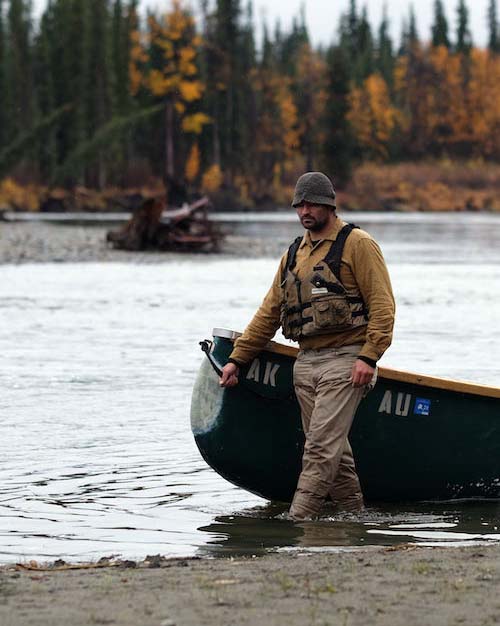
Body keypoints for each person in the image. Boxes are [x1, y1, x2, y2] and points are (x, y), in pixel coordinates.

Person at [219, 172, 395, 520]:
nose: (304, 210)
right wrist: (237, 360)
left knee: (319, 448)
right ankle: (355, 518)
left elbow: (383, 307)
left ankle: (297, 520)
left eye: (311, 203)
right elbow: (269, 312)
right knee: (335, 453)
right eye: (299, 204)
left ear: (329, 204)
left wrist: (369, 356)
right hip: (306, 364)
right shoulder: (293, 254)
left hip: (345, 362)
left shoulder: (357, 244)